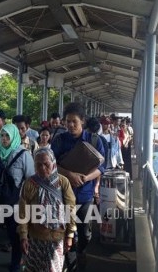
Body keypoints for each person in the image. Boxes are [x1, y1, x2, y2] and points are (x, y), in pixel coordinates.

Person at [51, 102, 105, 271]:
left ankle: (82, 254)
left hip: (85, 195)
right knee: (67, 232)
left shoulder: (95, 140)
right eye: (67, 121)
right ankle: (71, 264)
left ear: (83, 121)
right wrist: (70, 175)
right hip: (63, 195)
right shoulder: (59, 140)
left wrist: (85, 178)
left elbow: (102, 167)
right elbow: (52, 165)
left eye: (74, 121)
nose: (70, 125)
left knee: (84, 232)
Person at [18, 148, 77, 272]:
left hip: (57, 238)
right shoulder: (30, 183)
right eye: (38, 165)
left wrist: (70, 235)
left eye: (46, 164)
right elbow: (23, 212)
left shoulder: (63, 182)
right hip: (36, 239)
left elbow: (70, 209)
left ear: (53, 163)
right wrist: (23, 236)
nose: (42, 168)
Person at [0, 123, 35, 272]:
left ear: (14, 137)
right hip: (5, 200)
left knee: (16, 233)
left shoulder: (24, 154)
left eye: (7, 136)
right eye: (2, 136)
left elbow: (31, 179)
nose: (4, 139)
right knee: (11, 233)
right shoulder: (1, 153)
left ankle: (17, 263)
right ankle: (19, 259)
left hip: (18, 202)